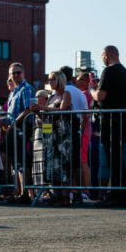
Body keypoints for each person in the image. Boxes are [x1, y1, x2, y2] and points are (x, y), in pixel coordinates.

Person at [91, 46, 126, 207]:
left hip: (111, 122)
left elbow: (101, 95)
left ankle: (116, 195)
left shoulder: (108, 71)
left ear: (107, 55)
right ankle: (120, 194)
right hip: (124, 120)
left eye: (102, 55)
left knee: (113, 159)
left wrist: (92, 91)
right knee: (120, 160)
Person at [31, 71, 72, 206]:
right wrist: (37, 113)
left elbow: (61, 110)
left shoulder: (66, 94)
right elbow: (46, 116)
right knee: (52, 166)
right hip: (52, 134)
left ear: (60, 80)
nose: (50, 82)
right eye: (49, 79)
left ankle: (65, 198)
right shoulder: (51, 97)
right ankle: (57, 196)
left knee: (63, 166)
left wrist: (42, 107)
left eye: (52, 79)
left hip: (62, 134)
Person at [0, 62, 36, 204]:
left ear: (23, 73)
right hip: (13, 126)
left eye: (18, 72)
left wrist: (14, 122)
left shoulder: (26, 88)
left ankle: (14, 188)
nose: (15, 75)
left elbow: (28, 109)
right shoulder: (14, 91)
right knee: (19, 161)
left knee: (5, 151)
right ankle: (20, 191)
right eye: (13, 73)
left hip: (22, 127)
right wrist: (5, 120)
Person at [60, 66, 89, 203]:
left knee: (65, 163)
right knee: (77, 163)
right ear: (71, 77)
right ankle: (77, 192)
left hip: (63, 130)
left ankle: (67, 193)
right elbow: (85, 116)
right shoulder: (79, 93)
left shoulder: (62, 92)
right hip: (75, 129)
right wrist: (81, 132)